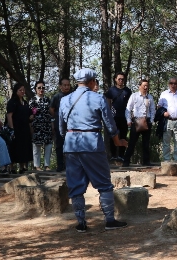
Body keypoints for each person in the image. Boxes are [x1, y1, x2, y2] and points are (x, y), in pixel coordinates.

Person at [58, 68, 128, 232]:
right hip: (92, 144)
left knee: (75, 185)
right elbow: (110, 124)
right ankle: (109, 220)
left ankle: (81, 223)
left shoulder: (65, 100)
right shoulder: (98, 98)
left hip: (71, 145)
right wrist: (117, 141)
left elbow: (61, 129)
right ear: (91, 82)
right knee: (103, 183)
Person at [123, 79, 155, 167]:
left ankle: (146, 161)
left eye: (147, 86)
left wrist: (151, 121)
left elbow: (152, 110)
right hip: (136, 121)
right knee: (132, 142)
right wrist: (128, 120)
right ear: (139, 86)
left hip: (147, 121)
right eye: (144, 85)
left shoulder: (150, 97)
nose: (146, 87)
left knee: (146, 143)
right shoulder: (134, 96)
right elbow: (128, 109)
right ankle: (126, 161)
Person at [157, 77, 177, 162]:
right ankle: (166, 160)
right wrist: (163, 113)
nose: (173, 85)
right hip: (167, 121)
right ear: (168, 84)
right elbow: (159, 107)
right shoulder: (164, 94)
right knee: (166, 141)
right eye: (171, 83)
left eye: (175, 83)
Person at [104, 72, 132, 162]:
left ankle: (121, 155)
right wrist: (108, 114)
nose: (121, 81)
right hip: (114, 117)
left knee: (123, 136)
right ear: (115, 79)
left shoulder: (127, 91)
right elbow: (108, 101)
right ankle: (113, 155)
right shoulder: (111, 90)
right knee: (113, 135)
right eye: (119, 79)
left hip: (124, 116)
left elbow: (130, 104)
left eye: (122, 79)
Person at [7, 83, 34, 173]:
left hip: (25, 128)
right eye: (20, 90)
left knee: (24, 147)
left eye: (23, 90)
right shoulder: (12, 102)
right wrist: (11, 129)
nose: (22, 92)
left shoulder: (25, 102)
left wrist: (31, 117)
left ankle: (22, 166)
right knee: (14, 147)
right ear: (16, 91)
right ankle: (12, 167)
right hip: (16, 128)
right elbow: (9, 116)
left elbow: (29, 114)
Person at [30, 81, 53, 171]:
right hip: (36, 127)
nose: (41, 90)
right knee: (36, 146)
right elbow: (30, 115)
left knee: (49, 145)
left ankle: (47, 165)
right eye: (39, 88)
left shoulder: (48, 100)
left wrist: (52, 125)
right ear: (35, 89)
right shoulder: (32, 100)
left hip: (47, 126)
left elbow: (51, 114)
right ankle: (37, 166)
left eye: (43, 88)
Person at [50, 77, 71, 172]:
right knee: (59, 145)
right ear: (60, 86)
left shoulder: (73, 95)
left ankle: (69, 165)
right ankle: (60, 165)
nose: (67, 87)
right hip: (59, 123)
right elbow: (51, 109)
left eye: (68, 85)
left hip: (71, 124)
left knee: (70, 145)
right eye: (64, 85)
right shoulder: (57, 97)